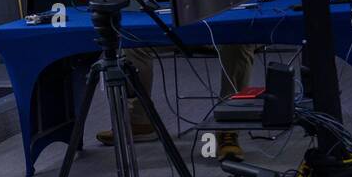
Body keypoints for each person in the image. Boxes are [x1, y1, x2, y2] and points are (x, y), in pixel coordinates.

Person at [97, 44, 258, 159]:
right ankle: (140, 123)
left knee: (240, 44)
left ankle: (228, 130)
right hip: (181, 26)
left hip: (224, 28)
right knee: (133, 43)